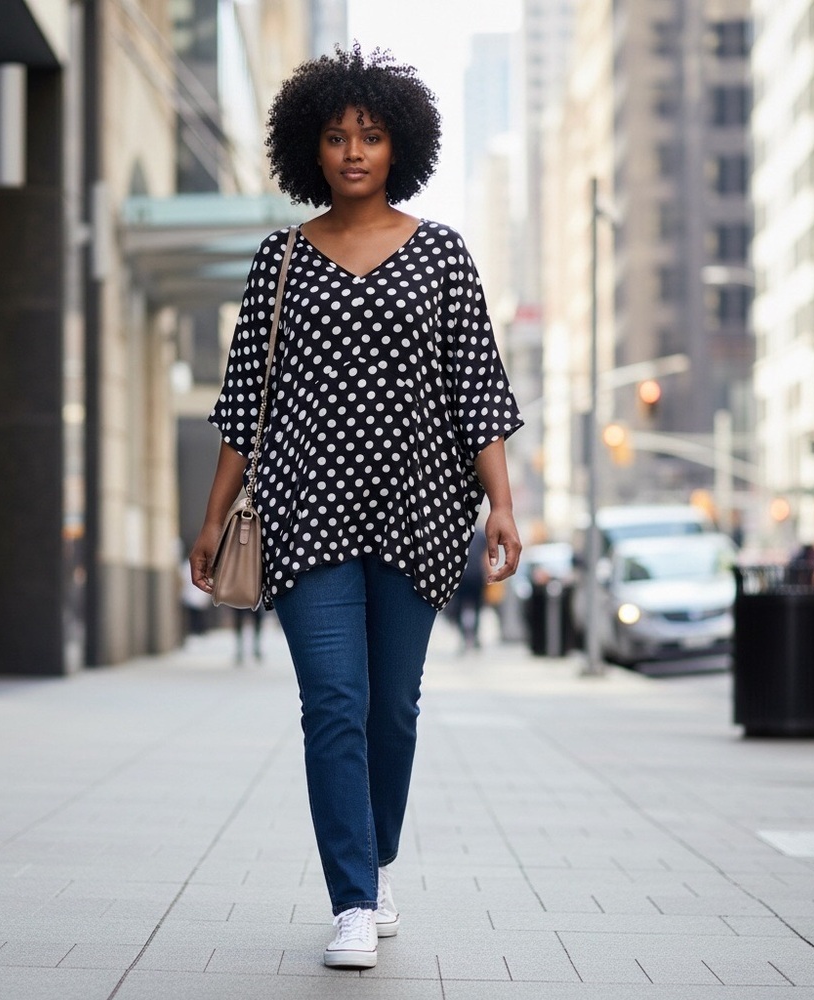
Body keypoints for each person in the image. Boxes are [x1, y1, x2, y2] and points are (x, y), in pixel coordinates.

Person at [189, 44, 523, 970]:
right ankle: (353, 899)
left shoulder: (443, 255)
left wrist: (501, 505)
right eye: (336, 136)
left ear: (398, 145)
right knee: (333, 704)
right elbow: (244, 406)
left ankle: (373, 857)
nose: (352, 152)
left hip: (418, 514)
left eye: (370, 136)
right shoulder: (279, 261)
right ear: (311, 147)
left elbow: (478, 392)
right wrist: (213, 519)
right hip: (305, 513)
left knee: (394, 711)